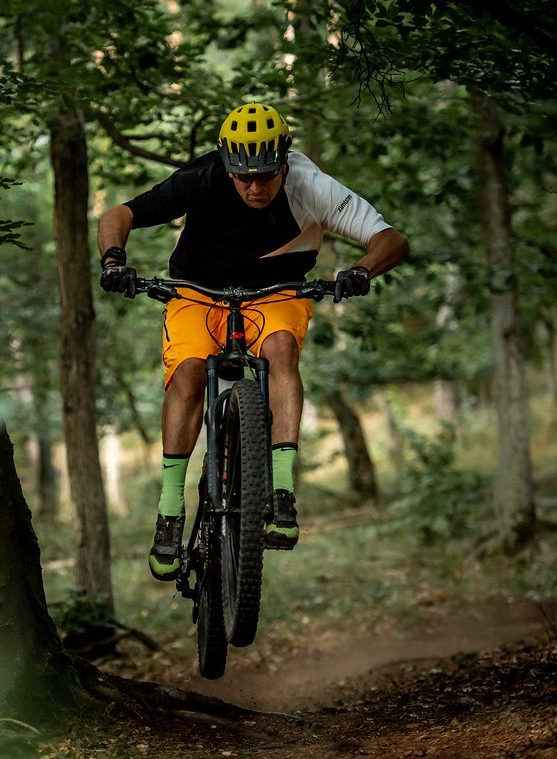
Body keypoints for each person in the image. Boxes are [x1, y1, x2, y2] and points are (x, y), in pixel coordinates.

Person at [96, 102, 409, 581]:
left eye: (266, 175)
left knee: (281, 347)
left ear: (284, 160)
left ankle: (281, 491)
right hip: (196, 290)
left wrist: (363, 271)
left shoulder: (310, 184)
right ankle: (169, 511)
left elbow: (390, 238)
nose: (255, 187)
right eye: (244, 176)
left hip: (276, 292)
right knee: (189, 371)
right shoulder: (202, 177)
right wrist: (115, 260)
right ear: (227, 164)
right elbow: (118, 215)